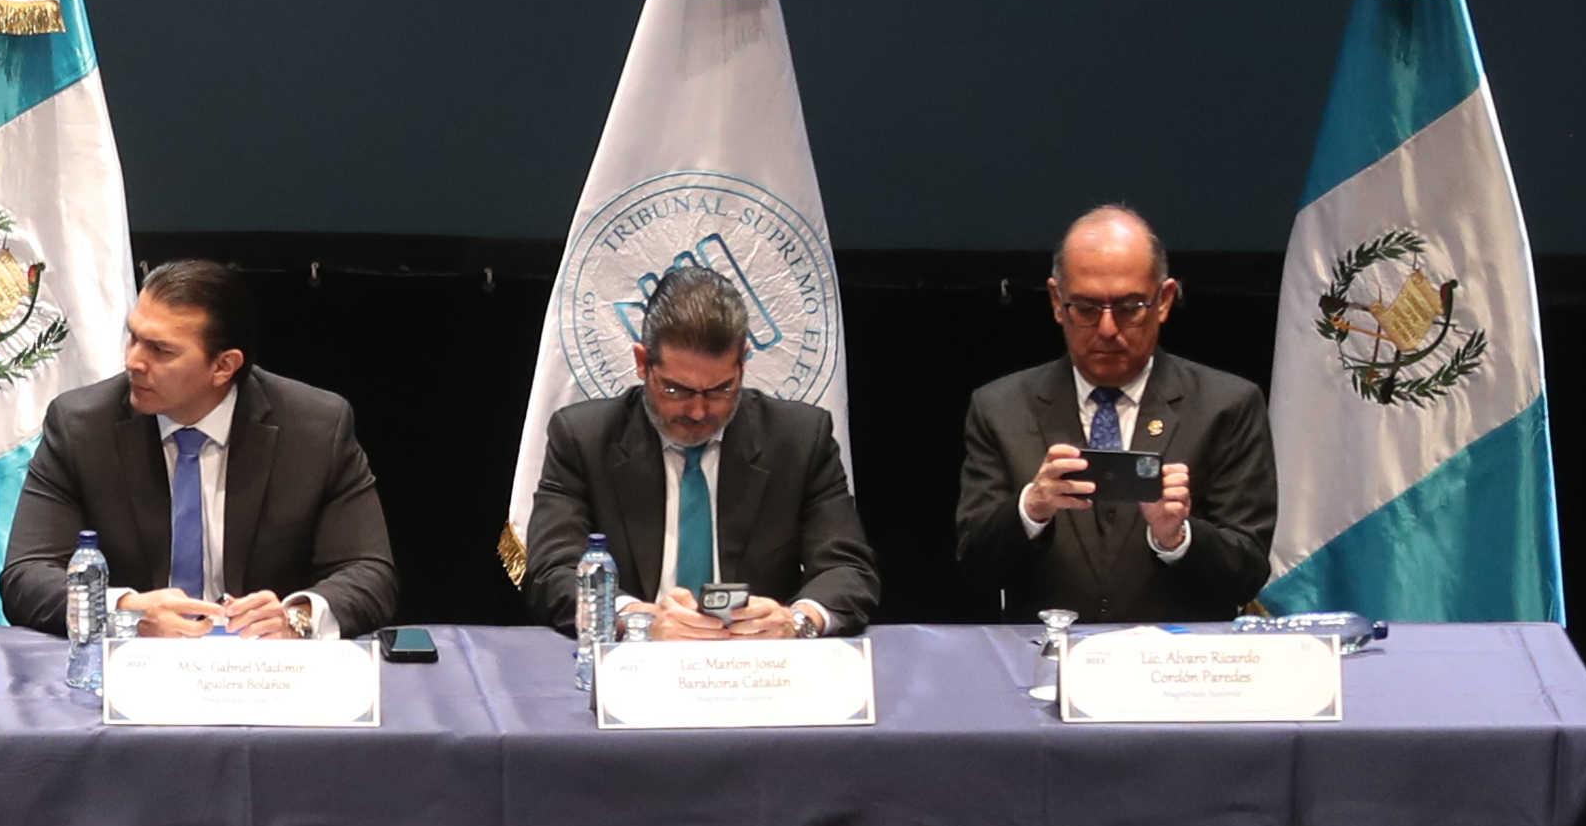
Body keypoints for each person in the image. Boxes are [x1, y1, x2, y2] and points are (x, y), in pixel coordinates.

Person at [0, 258, 396, 638]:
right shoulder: (82, 427)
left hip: (261, 664)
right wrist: (126, 611)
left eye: (160, 350)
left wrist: (296, 617)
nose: (133, 361)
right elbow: (26, 575)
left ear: (223, 366)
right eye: (133, 337)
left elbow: (370, 574)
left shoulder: (314, 429)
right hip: (133, 661)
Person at [953, 202, 1276, 623]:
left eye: (1129, 307)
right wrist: (1031, 509)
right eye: (1086, 308)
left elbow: (1248, 572)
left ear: (1164, 300)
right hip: (1045, 656)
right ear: (1057, 302)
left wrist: (1177, 537)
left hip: (1176, 657)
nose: (1107, 329)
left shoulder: (1226, 406)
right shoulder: (1001, 408)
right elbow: (976, 566)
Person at [518, 265, 876, 638]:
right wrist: (639, 620)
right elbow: (552, 572)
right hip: (635, 660)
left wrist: (795, 622)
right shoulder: (584, 439)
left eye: (721, 389)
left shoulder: (799, 440)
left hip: (757, 660)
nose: (699, 412)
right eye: (677, 390)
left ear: (742, 364)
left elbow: (847, 570)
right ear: (642, 363)